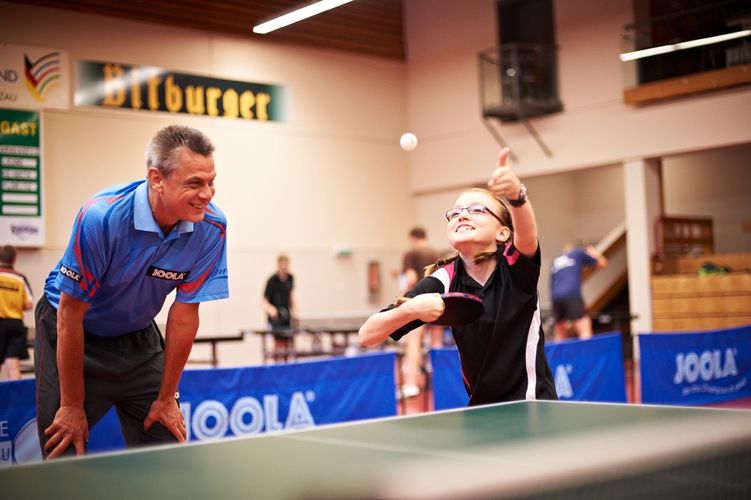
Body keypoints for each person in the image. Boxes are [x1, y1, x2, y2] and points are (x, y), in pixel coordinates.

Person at [34, 125, 228, 459]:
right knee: (62, 454)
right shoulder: (101, 217)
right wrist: (71, 405)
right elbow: (69, 314)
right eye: (194, 183)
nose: (208, 194)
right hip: (73, 331)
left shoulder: (211, 227)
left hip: (139, 336)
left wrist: (167, 398)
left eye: (211, 181)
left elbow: (183, 317)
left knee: (165, 453)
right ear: (157, 178)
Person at [359, 148, 557, 406]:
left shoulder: (515, 267)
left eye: (477, 210)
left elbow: (528, 236)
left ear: (503, 233)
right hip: (483, 412)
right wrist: (410, 310)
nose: (462, 214)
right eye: (455, 212)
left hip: (534, 406)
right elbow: (367, 335)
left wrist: (516, 196)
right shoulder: (444, 279)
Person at [398, 227, 439, 399]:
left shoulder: (410, 253)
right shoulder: (436, 253)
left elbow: (411, 278)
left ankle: (411, 386)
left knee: (413, 343)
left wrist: (404, 297)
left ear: (413, 238)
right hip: (438, 302)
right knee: (437, 345)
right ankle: (439, 383)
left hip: (419, 304)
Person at [550, 243, 608, 341]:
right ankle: (587, 354)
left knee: (560, 334)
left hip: (555, 297)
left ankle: (559, 356)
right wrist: (593, 252)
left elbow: (552, 284)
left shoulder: (556, 261)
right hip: (571, 294)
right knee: (585, 328)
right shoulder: (578, 252)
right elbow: (603, 263)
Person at [0, 245, 34, 381]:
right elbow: (29, 304)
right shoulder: (20, 278)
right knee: (13, 364)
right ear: (14, 259)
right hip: (15, 324)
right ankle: (16, 401)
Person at [261, 253, 298, 361]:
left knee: (288, 345)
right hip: (275, 319)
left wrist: (295, 310)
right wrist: (271, 309)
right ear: (278, 265)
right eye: (282, 265)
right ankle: (276, 365)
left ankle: (287, 367)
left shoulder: (290, 278)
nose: (284, 267)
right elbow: (263, 300)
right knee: (278, 345)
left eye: (286, 265)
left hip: (287, 316)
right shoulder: (272, 280)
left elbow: (291, 295)